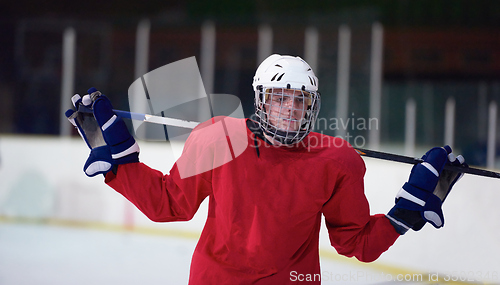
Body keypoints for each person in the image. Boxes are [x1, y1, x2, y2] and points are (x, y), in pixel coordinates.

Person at [66, 54, 466, 284]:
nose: (290, 109)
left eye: (299, 101)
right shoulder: (217, 139)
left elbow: (355, 244)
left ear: (312, 107)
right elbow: (170, 203)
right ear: (261, 99)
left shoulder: (337, 160)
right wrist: (121, 163)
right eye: (280, 98)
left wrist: (403, 215)